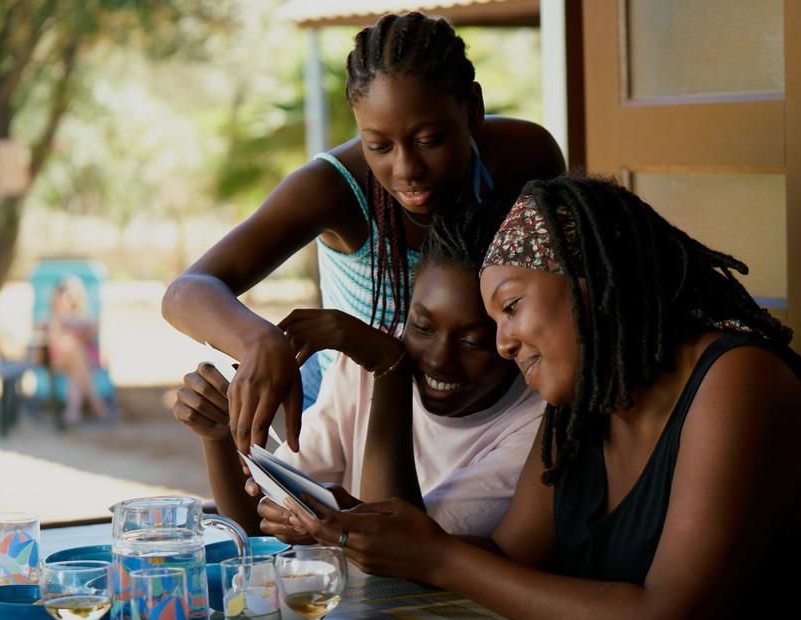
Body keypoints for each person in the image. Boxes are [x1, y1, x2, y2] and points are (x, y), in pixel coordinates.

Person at [283, 175, 801, 620]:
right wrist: (399, 544)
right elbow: (513, 558)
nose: (504, 344)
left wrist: (441, 560)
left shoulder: (739, 382)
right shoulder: (584, 405)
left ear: (590, 281)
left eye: (509, 308)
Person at [162, 12, 564, 455]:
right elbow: (188, 290)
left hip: (485, 409)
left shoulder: (525, 158)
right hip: (353, 416)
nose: (407, 169)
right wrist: (258, 340)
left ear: (472, 107)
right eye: (379, 146)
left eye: (429, 140)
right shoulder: (334, 188)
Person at [173, 200, 544, 540]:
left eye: (473, 342)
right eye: (422, 327)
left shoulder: (533, 425)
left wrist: (392, 372)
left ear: (512, 339)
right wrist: (217, 435)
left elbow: (405, 552)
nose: (439, 358)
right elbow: (256, 526)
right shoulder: (364, 366)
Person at [46, 276, 109, 425]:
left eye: (68, 294)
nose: (64, 299)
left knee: (75, 370)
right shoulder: (54, 320)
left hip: (83, 361)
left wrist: (79, 329)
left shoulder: (83, 318)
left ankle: (72, 412)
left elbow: (94, 332)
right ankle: (97, 405)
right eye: (61, 294)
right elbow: (55, 342)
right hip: (61, 359)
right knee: (74, 351)